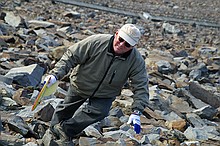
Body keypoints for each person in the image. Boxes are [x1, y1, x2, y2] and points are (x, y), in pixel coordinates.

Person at [44, 24, 149, 144]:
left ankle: (65, 130)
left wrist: (137, 111)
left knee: (101, 111)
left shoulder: (136, 61)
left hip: (105, 93)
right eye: (120, 39)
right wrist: (56, 75)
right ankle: (51, 134)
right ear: (116, 34)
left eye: (127, 44)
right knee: (65, 109)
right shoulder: (96, 42)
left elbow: (141, 86)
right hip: (81, 84)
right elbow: (72, 56)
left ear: (133, 46)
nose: (121, 45)